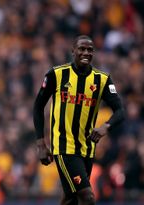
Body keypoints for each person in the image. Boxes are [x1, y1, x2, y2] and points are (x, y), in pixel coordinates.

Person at [33, 35, 124, 205]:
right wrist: (41, 144)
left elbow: (120, 111)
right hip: (64, 147)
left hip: (87, 149)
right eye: (82, 48)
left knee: (71, 198)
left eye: (90, 50)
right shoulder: (57, 74)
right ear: (73, 51)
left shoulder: (102, 80)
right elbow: (38, 106)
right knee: (87, 197)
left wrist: (106, 126)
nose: (86, 52)